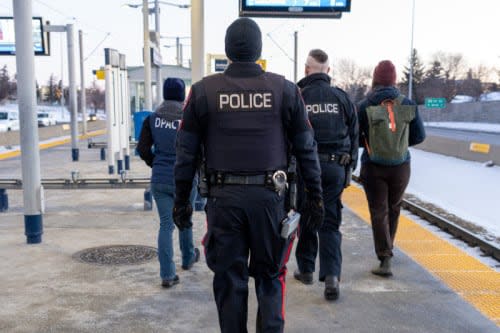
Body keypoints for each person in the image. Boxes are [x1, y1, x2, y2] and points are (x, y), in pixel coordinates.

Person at [173, 17, 324, 333]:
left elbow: (185, 154)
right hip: (272, 201)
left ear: (228, 51)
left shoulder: (202, 92)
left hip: (223, 202)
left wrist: (181, 201)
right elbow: (307, 149)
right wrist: (315, 198)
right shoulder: (285, 90)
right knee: (271, 276)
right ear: (259, 50)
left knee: (229, 280)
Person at [293, 49, 358, 301]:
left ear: (307, 69)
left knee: (307, 213)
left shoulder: (298, 97)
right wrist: (350, 167)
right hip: (334, 168)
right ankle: (331, 276)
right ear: (328, 71)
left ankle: (306, 269)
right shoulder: (342, 98)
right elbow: (354, 138)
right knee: (330, 220)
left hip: (306, 168)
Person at [357, 60, 425, 277]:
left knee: (379, 211)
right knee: (394, 208)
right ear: (394, 80)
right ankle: (388, 249)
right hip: (401, 166)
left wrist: (371, 143)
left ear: (375, 79)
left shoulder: (364, 105)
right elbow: (419, 136)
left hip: (373, 166)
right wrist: (398, 144)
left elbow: (354, 137)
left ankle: (384, 256)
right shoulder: (407, 103)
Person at [137, 77, 200, 288]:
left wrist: (156, 163)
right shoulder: (189, 118)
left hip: (160, 180)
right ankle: (188, 257)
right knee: (184, 217)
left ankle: (167, 274)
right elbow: (199, 149)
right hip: (185, 179)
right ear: (182, 95)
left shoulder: (152, 119)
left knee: (166, 225)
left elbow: (143, 149)